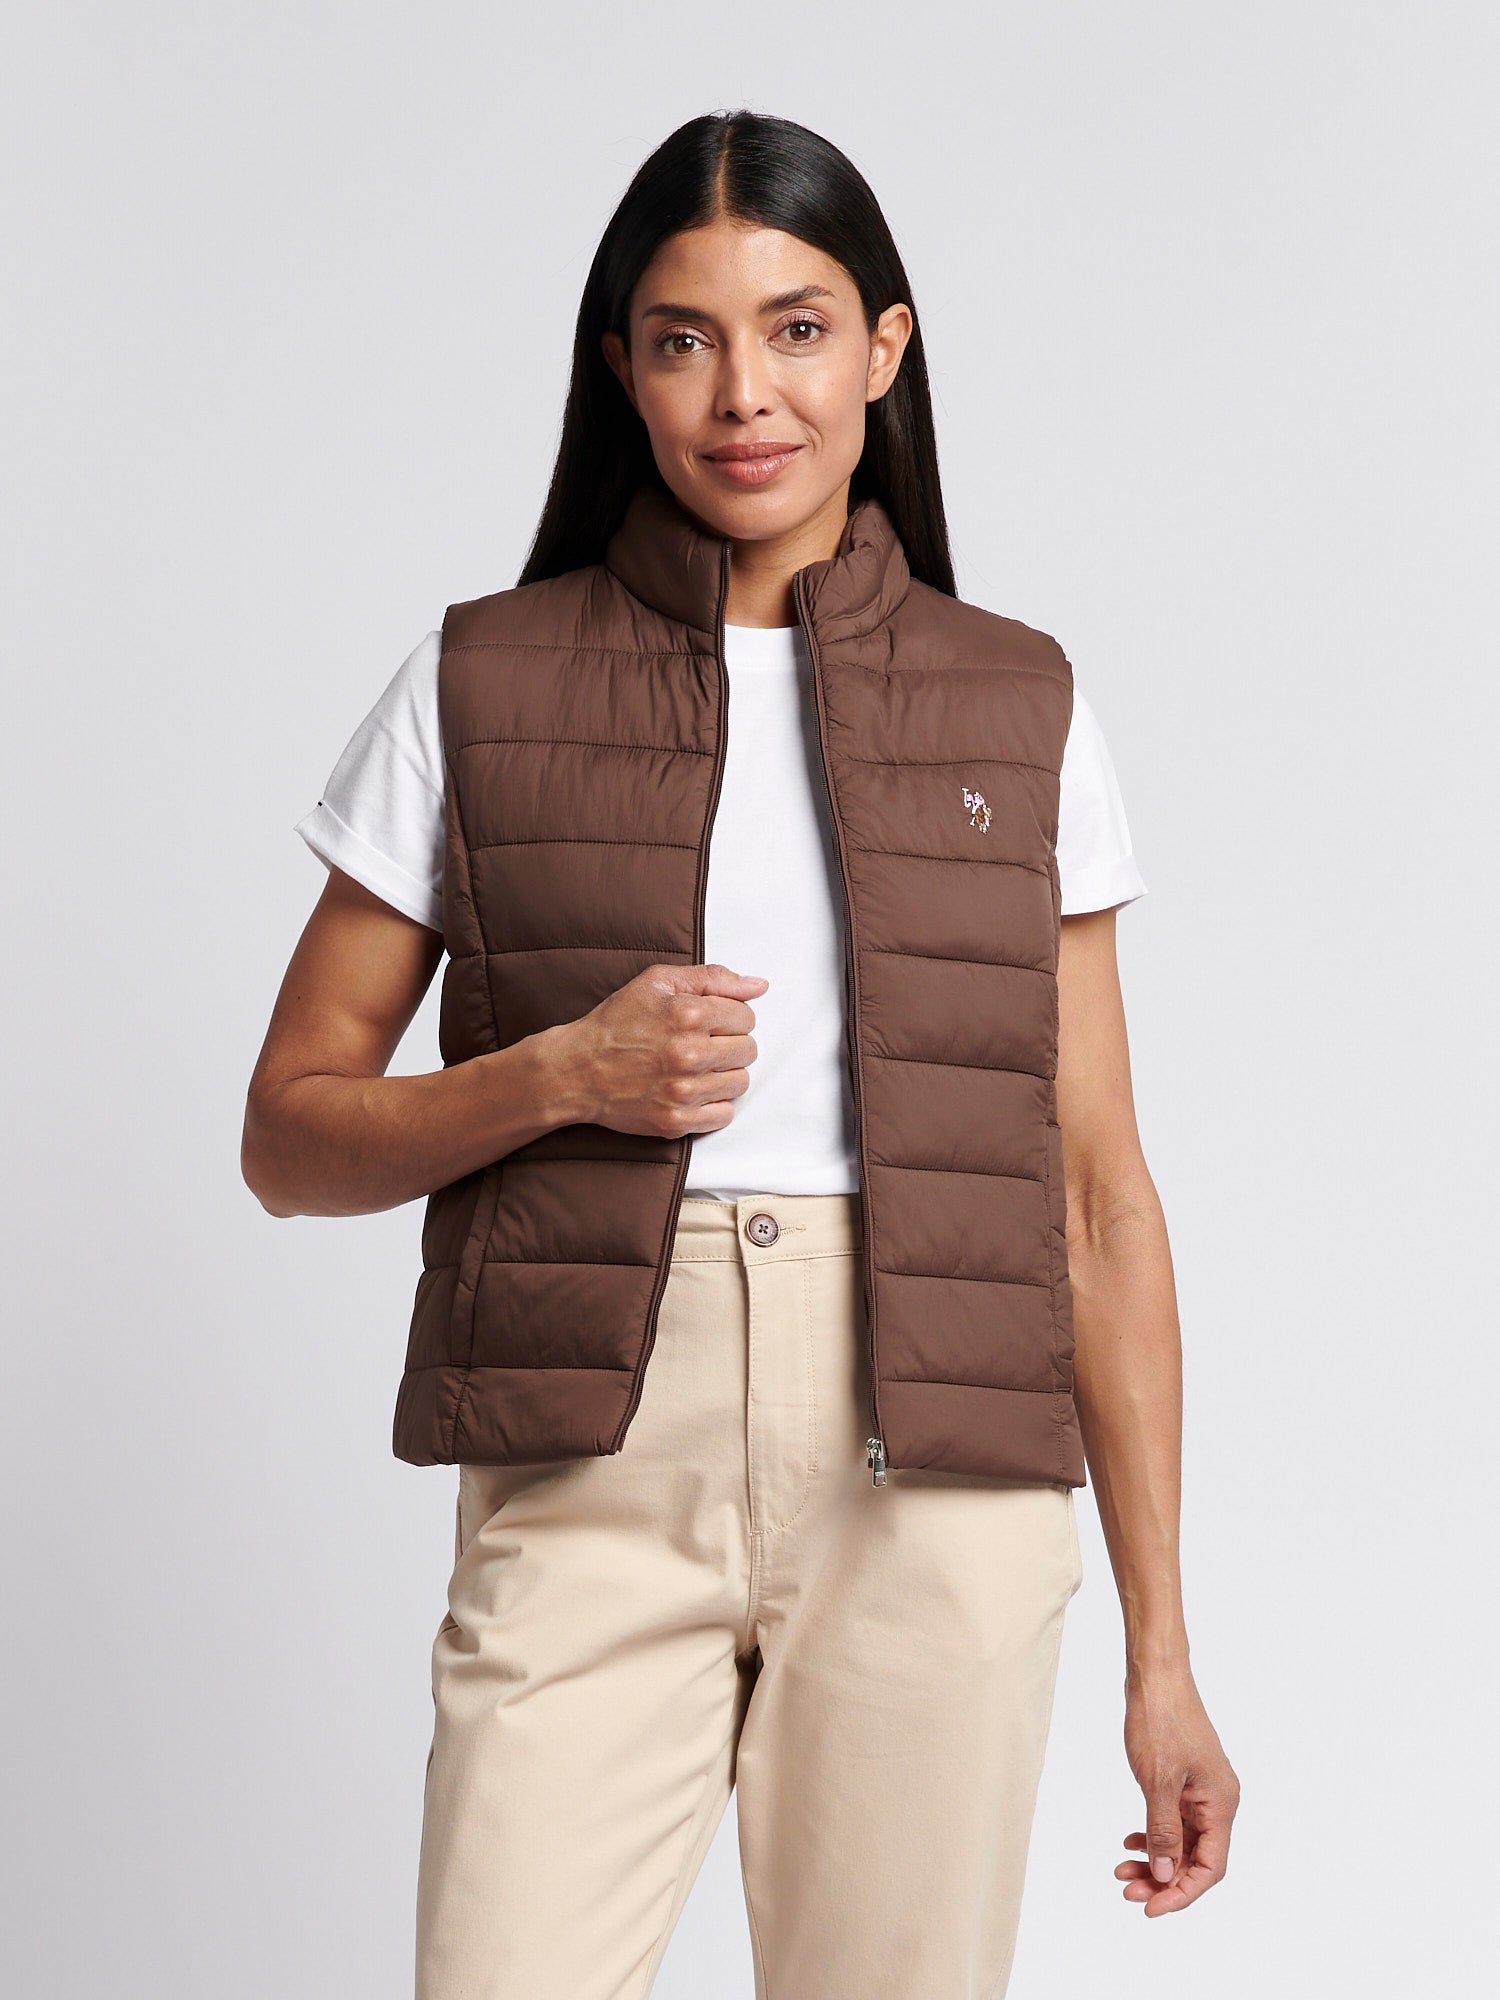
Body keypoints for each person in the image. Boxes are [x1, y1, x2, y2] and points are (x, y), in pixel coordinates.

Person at [242, 108, 1239, 2000]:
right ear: (622, 368)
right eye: (684, 338)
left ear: (885, 348)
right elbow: (288, 1136)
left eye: (796, 330)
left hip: (937, 1472)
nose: (742, 396)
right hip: (595, 1460)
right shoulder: (477, 683)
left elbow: (1100, 1201)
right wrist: (561, 1077)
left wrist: (1165, 1659)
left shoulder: (1018, 702)